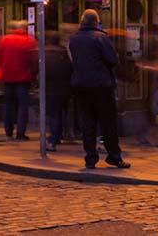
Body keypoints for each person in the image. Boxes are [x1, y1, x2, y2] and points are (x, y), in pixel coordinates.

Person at [69, 9, 129, 169]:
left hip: (80, 85)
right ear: (96, 22)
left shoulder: (73, 39)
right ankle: (114, 156)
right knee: (108, 121)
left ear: (82, 21)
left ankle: (90, 157)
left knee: (87, 122)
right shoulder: (101, 38)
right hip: (101, 85)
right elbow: (112, 60)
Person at [0, 20, 38, 141]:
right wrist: (34, 75)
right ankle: (20, 132)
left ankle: (8, 131)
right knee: (22, 106)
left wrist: (1, 72)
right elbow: (33, 60)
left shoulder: (3, 40)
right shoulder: (29, 40)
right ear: (25, 28)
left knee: (8, 105)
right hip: (23, 78)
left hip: (7, 77)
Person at [44, 30, 73, 151]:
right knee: (60, 112)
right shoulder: (62, 52)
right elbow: (69, 68)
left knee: (53, 114)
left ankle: (53, 140)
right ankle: (58, 135)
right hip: (64, 88)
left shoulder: (46, 52)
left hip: (50, 88)